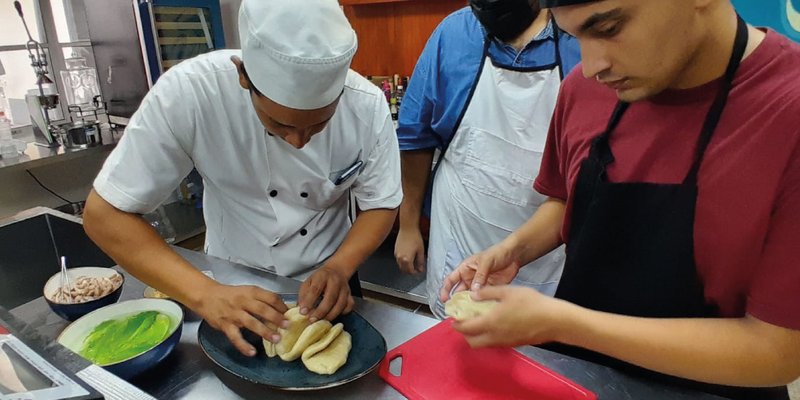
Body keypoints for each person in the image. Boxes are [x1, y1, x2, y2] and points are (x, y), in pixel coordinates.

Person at [440, 0, 800, 398]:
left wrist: (563, 323)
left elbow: (780, 350)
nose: (592, 65)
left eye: (609, 29)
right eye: (574, 37)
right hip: (576, 381)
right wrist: (514, 249)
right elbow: (563, 199)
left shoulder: (787, 111)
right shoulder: (584, 89)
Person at [83, 0, 401, 357]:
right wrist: (204, 294)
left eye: (318, 124)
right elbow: (103, 215)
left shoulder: (368, 106)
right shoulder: (191, 92)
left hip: (331, 276)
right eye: (281, 124)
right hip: (228, 278)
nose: (298, 141)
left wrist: (340, 267)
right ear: (243, 75)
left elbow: (381, 204)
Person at [394, 0, 580, 317]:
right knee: (455, 337)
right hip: (461, 235)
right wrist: (408, 225)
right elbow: (415, 135)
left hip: (548, 250)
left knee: (541, 345)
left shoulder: (580, 37)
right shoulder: (453, 34)